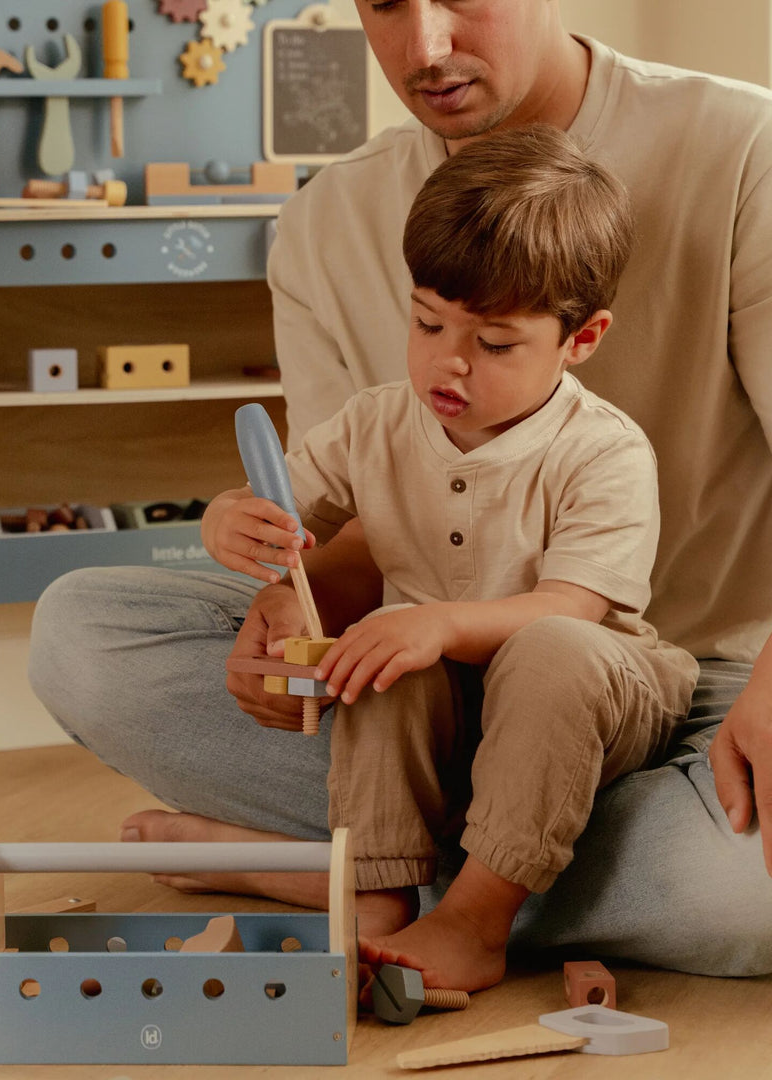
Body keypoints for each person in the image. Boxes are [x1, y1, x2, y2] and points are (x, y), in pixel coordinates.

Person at [29, 0, 772, 978]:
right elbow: (345, 525)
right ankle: (427, 879)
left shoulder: (750, 151)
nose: (426, 48)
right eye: (384, 2)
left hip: (690, 693)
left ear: (581, 340)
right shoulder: (325, 223)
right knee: (81, 632)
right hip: (431, 683)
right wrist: (293, 603)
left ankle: (368, 878)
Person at [200, 124, 700, 990]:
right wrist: (228, 523)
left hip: (591, 693)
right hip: (445, 711)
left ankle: (475, 920)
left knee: (542, 648)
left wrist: (434, 623)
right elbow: (280, 506)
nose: (449, 363)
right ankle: (377, 901)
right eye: (427, 323)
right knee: (380, 651)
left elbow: (574, 609)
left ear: (581, 340)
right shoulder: (374, 422)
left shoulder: (604, 451)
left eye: (495, 345)